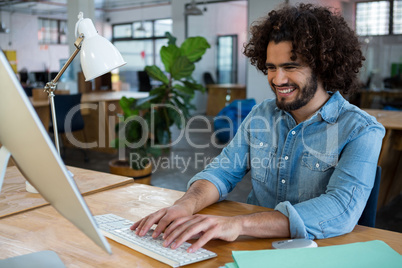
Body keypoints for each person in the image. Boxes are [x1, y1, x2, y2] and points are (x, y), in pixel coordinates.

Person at [131, 3, 385, 253]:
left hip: (318, 252)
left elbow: (340, 210)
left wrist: (238, 224)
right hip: (253, 247)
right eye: (272, 67)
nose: (277, 79)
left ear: (323, 65)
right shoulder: (262, 114)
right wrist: (185, 205)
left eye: (290, 67)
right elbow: (223, 171)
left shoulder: (361, 130)